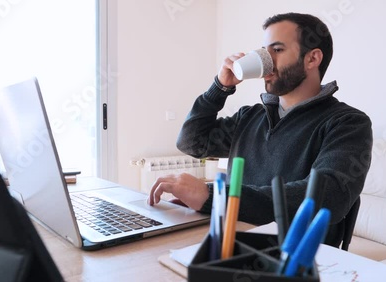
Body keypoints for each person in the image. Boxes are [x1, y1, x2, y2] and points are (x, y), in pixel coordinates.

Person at [148, 12, 373, 247]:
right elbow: (191, 142)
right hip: (232, 240)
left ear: (312, 58)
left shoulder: (348, 123)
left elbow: (329, 196)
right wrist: (220, 88)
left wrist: (215, 196)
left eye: (276, 50)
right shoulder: (250, 116)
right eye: (264, 51)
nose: (265, 60)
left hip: (295, 258)